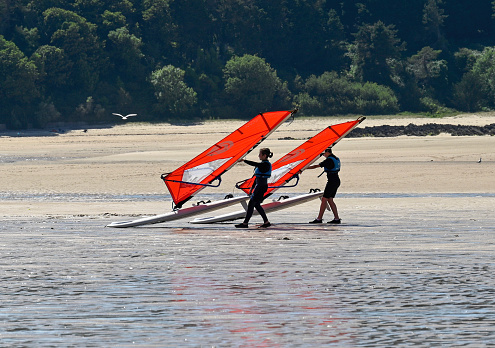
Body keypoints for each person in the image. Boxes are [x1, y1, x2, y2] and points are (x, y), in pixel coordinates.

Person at [235, 148, 273, 228]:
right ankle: (266, 222)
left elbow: (255, 164)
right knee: (256, 205)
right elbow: (256, 178)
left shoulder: (265, 165)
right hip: (259, 187)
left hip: (261, 187)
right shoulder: (263, 164)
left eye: (260, 154)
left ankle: (245, 223)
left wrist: (244, 160)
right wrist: (252, 188)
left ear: (264, 155)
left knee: (251, 204)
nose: (258, 155)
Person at [306, 147, 342, 224]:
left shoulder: (329, 160)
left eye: (323, 154)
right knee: (330, 199)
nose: (323, 155)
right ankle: (336, 219)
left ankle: (319, 219)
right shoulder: (335, 158)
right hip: (336, 180)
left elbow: (316, 166)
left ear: (328, 152)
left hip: (332, 181)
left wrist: (304, 168)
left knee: (324, 199)